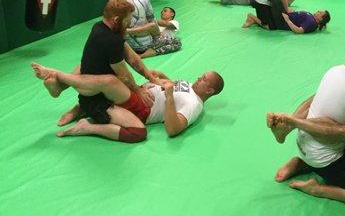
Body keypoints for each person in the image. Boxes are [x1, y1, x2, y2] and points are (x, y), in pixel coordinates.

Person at [265, 39, 345, 205]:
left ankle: (301, 162)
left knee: (320, 100)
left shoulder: (333, 71)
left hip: (304, 141)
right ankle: (317, 188)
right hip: (324, 158)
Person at [30, 0, 166, 143]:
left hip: (93, 88)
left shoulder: (99, 27)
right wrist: (138, 91)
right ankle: (83, 118)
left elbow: (133, 59)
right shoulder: (111, 40)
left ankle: (68, 97)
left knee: (86, 64)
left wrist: (151, 78)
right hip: (99, 100)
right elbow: (124, 74)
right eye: (127, 20)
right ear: (116, 19)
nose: (129, 24)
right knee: (138, 132)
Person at [31, 64, 224, 140]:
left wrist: (170, 96)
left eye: (203, 79)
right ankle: (75, 105)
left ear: (209, 90)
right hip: (137, 93)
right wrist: (163, 78)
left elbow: (173, 129)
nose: (199, 77)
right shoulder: (191, 87)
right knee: (88, 65)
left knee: (109, 82)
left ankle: (56, 75)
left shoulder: (194, 105)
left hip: (141, 109)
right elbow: (173, 85)